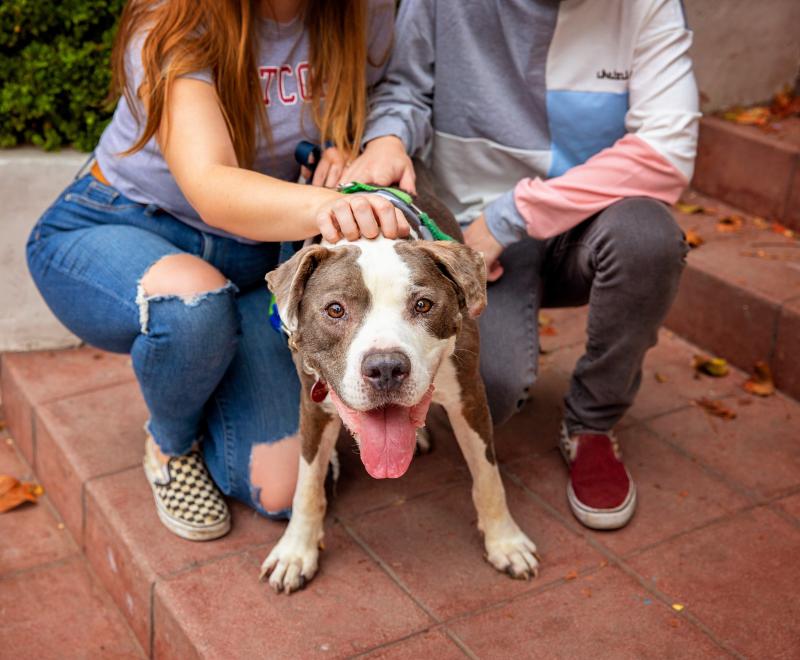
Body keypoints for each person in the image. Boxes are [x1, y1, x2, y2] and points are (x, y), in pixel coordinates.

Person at [26, 0, 403, 541]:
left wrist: (363, 143)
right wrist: (331, 205)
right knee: (192, 306)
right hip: (126, 223)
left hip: (256, 258)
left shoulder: (360, 9)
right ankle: (171, 443)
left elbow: (389, 87)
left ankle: (202, 368)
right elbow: (211, 184)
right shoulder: (174, 14)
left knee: (282, 491)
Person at [344, 0, 699, 530]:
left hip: (580, 223)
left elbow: (667, 152)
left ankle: (592, 425)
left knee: (648, 237)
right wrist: (388, 138)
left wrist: (512, 216)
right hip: (464, 230)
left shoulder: (648, 6)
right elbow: (403, 88)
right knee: (491, 391)